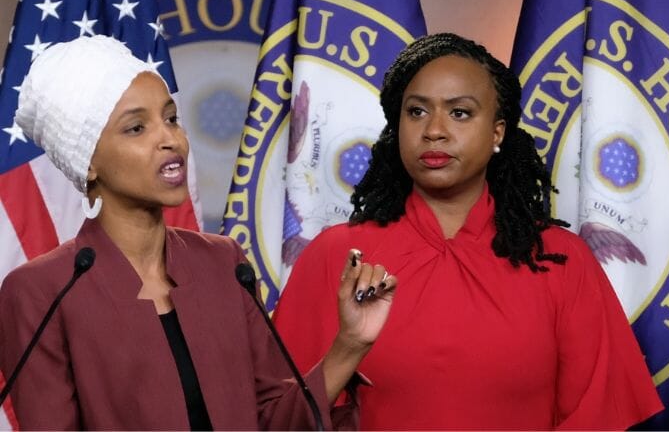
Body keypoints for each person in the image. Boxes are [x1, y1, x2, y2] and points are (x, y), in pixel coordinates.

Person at [0, 35, 395, 430]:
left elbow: (276, 421)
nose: (170, 139)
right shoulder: (40, 291)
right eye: (137, 128)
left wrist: (351, 343)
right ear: (87, 162)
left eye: (171, 118)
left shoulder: (224, 262)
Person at [272, 32, 663, 430]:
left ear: (497, 132)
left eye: (459, 113)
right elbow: (276, 422)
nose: (434, 131)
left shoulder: (560, 259)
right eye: (417, 112)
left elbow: (596, 418)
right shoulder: (338, 255)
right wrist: (349, 346)